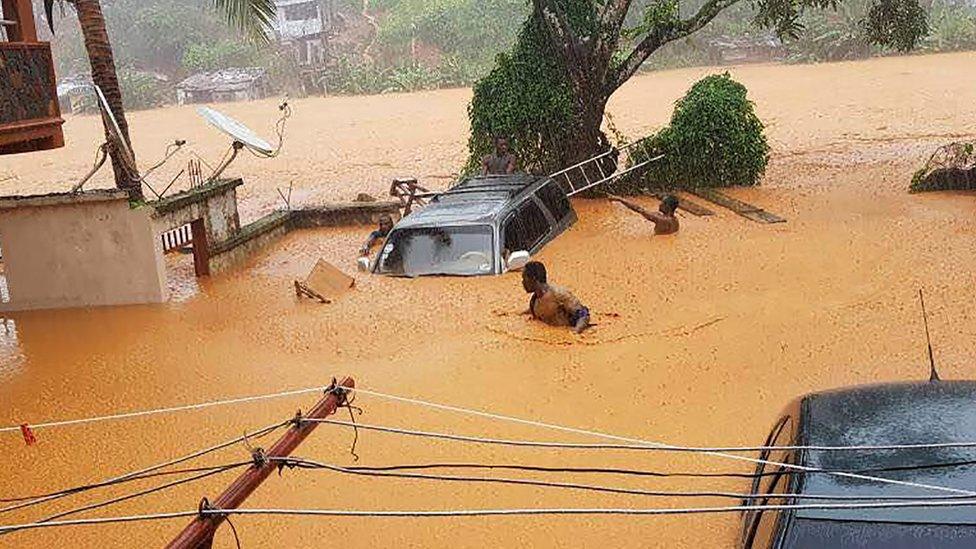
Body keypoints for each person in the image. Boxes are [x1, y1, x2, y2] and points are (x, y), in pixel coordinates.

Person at [522, 261, 590, 334]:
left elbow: (583, 315)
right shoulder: (534, 300)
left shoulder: (559, 294)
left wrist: (576, 331)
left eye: (524, 278)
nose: (522, 282)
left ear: (533, 279)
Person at [608, 193, 680, 235]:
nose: (659, 204)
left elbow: (639, 209)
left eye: (662, 203)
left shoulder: (661, 219)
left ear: (667, 206)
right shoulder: (676, 220)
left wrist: (620, 199)